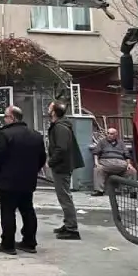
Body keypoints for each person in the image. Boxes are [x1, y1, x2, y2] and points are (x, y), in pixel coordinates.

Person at [0, 106, 47, 255]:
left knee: (8, 211)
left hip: (7, 181)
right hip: (28, 180)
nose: (4, 119)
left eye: (5, 117)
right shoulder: (36, 135)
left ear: (12, 118)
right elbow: (42, 158)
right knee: (27, 210)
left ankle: (7, 244)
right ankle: (29, 242)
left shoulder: (5, 134)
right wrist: (33, 171)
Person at [46, 101, 85, 240]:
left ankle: (72, 229)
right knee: (64, 196)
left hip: (61, 167)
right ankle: (68, 223)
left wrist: (51, 162)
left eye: (50, 108)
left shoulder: (60, 128)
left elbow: (61, 148)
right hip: (62, 166)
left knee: (65, 197)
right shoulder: (60, 126)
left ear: (54, 112)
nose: (48, 109)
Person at [90, 127, 134, 197]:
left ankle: (131, 191)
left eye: (111, 134)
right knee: (98, 169)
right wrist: (96, 163)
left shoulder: (121, 143)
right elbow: (96, 153)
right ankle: (99, 190)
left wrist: (129, 164)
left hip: (120, 162)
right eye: (108, 133)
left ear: (116, 135)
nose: (109, 135)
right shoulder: (102, 142)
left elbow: (127, 155)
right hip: (106, 162)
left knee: (131, 170)